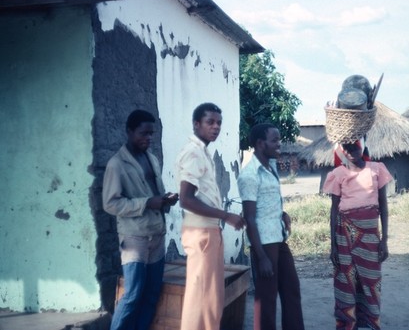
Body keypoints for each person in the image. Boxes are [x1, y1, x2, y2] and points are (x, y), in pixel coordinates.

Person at [102, 109, 179, 330]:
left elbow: (154, 192)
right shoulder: (116, 164)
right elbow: (111, 204)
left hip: (156, 235)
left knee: (152, 293)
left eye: (151, 134)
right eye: (143, 133)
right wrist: (146, 203)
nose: (148, 138)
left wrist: (165, 200)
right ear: (129, 131)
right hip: (134, 238)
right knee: (133, 294)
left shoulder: (151, 158)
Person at [175, 102, 246, 330]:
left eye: (218, 123)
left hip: (209, 231)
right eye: (210, 122)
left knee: (211, 299)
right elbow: (186, 199)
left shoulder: (203, 151)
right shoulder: (193, 152)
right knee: (200, 298)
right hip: (201, 232)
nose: (215, 127)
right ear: (197, 125)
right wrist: (225, 216)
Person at [237, 123, 305, 330]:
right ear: (259, 143)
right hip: (264, 245)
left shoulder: (270, 166)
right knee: (266, 299)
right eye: (274, 140)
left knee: (291, 289)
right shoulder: (250, 175)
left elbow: (266, 204)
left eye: (279, 139)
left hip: (278, 237)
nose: (279, 144)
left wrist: (282, 214)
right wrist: (262, 257)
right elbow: (249, 217)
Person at [323, 140, 392, 330]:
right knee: (345, 283)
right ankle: (347, 326)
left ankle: (369, 325)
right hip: (343, 236)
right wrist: (333, 246)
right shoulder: (338, 174)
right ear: (342, 150)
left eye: (355, 146)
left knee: (371, 282)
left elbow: (383, 207)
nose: (351, 150)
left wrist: (384, 241)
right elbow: (334, 211)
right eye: (346, 147)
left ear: (362, 146)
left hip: (370, 237)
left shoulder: (376, 169)